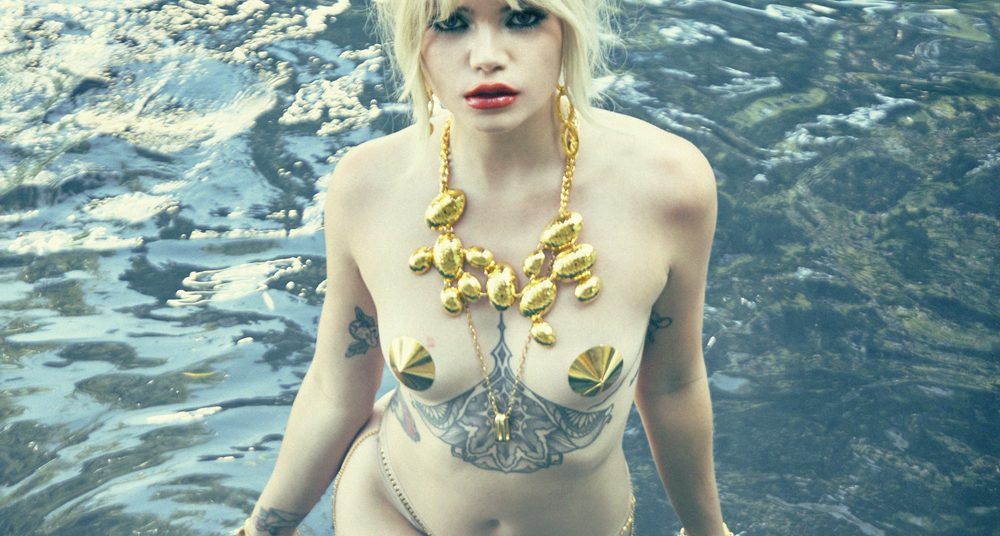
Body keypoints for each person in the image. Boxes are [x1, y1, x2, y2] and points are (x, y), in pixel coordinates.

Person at [240, 0, 733, 534]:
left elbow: (672, 386)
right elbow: (335, 391)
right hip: (392, 509)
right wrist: (261, 530)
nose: (486, 56)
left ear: (569, 27)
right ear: (415, 40)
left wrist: (710, 532)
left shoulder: (666, 189)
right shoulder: (368, 188)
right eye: (450, 24)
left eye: (521, 17)